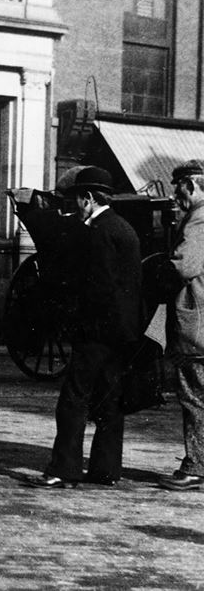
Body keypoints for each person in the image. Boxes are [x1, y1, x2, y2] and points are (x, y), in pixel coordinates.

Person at [26, 166, 141, 488]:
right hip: (121, 333)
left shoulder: (98, 233)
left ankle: (64, 469)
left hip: (95, 332)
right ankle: (106, 470)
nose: (74, 206)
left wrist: (73, 317)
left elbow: (98, 287)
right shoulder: (124, 228)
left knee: (73, 400)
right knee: (109, 400)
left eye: (76, 199)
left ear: (88, 198)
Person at [156, 160, 204, 491]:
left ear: (190, 185)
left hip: (197, 329)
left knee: (194, 398)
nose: (177, 196)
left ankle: (195, 465)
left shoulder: (199, 220)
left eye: (178, 189)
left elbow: (183, 266)